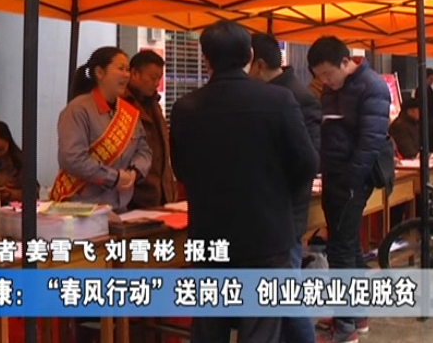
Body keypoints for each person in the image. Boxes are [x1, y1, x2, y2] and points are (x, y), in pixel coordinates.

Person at [170, 21, 318, 343]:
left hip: (209, 234)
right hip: (267, 233)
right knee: (261, 327)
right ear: (250, 56)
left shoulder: (185, 107)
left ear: (206, 59)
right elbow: (307, 163)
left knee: (210, 325)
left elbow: (181, 169)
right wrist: (274, 190)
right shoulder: (278, 100)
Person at [307, 37, 392, 343]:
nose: (325, 81)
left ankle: (345, 327)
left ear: (346, 62)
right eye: (319, 76)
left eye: (328, 73)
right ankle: (357, 314)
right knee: (348, 245)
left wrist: (350, 182)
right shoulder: (333, 88)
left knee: (340, 249)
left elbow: (370, 142)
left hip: (353, 180)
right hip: (334, 175)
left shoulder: (372, 86)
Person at [250, 33, 321, 343]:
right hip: (266, 212)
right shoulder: (266, 94)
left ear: (258, 64)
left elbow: (309, 160)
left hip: (284, 211)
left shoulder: (296, 97)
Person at [50, 47, 152, 213]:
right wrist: (114, 178)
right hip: (82, 210)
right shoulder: (78, 110)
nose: (126, 75)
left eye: (128, 70)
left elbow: (144, 150)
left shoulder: (129, 112)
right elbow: (72, 158)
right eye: (121, 69)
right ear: (99, 72)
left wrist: (134, 172)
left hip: (120, 208)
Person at [124, 50, 178, 209]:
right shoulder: (121, 105)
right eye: (153, 78)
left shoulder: (154, 104)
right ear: (134, 73)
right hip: (134, 196)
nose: (156, 83)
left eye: (159, 78)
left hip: (161, 194)